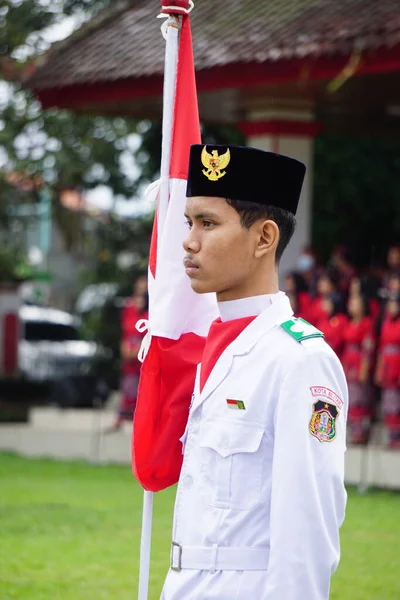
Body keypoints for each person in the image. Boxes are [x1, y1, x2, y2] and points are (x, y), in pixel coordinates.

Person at [161, 144, 348, 600]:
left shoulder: (298, 359)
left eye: (208, 223)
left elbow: (307, 530)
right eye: (189, 223)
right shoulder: (214, 347)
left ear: (264, 238)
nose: (188, 240)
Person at [108, 274, 148, 432]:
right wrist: (125, 348)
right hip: (129, 351)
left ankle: (140, 421)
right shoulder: (129, 306)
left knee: (142, 387)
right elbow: (125, 330)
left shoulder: (151, 307)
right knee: (128, 386)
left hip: (143, 351)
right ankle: (122, 418)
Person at [341, 293, 375, 444]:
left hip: (359, 362)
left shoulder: (366, 323)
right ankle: (353, 430)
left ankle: (361, 433)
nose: (351, 305)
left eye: (355, 302)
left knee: (360, 397)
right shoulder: (348, 323)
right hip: (348, 362)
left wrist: (364, 367)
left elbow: (368, 347)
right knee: (350, 396)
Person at [374, 296, 400, 449]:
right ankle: (392, 436)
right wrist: (379, 369)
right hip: (388, 365)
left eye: (394, 304)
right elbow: (382, 349)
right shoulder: (386, 323)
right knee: (390, 401)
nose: (392, 308)